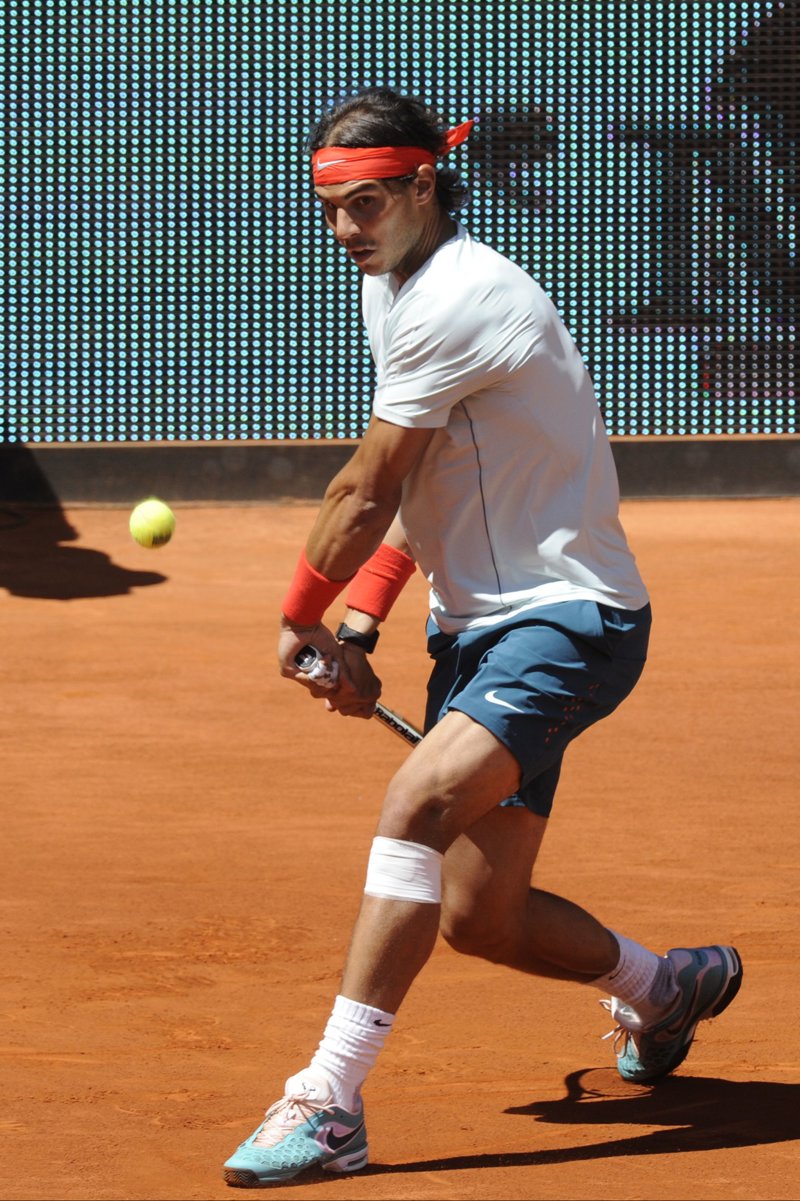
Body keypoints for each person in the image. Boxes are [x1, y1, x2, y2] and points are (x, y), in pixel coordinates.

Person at [223, 87, 742, 1188]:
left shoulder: (458, 297)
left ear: (422, 185)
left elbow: (365, 488)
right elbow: (425, 494)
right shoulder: (393, 288)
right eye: (329, 208)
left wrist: (299, 613)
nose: (343, 230)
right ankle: (663, 988)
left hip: (570, 620)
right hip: (476, 633)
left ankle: (328, 1101)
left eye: (365, 204)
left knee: (413, 803)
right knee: (479, 916)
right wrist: (360, 621)